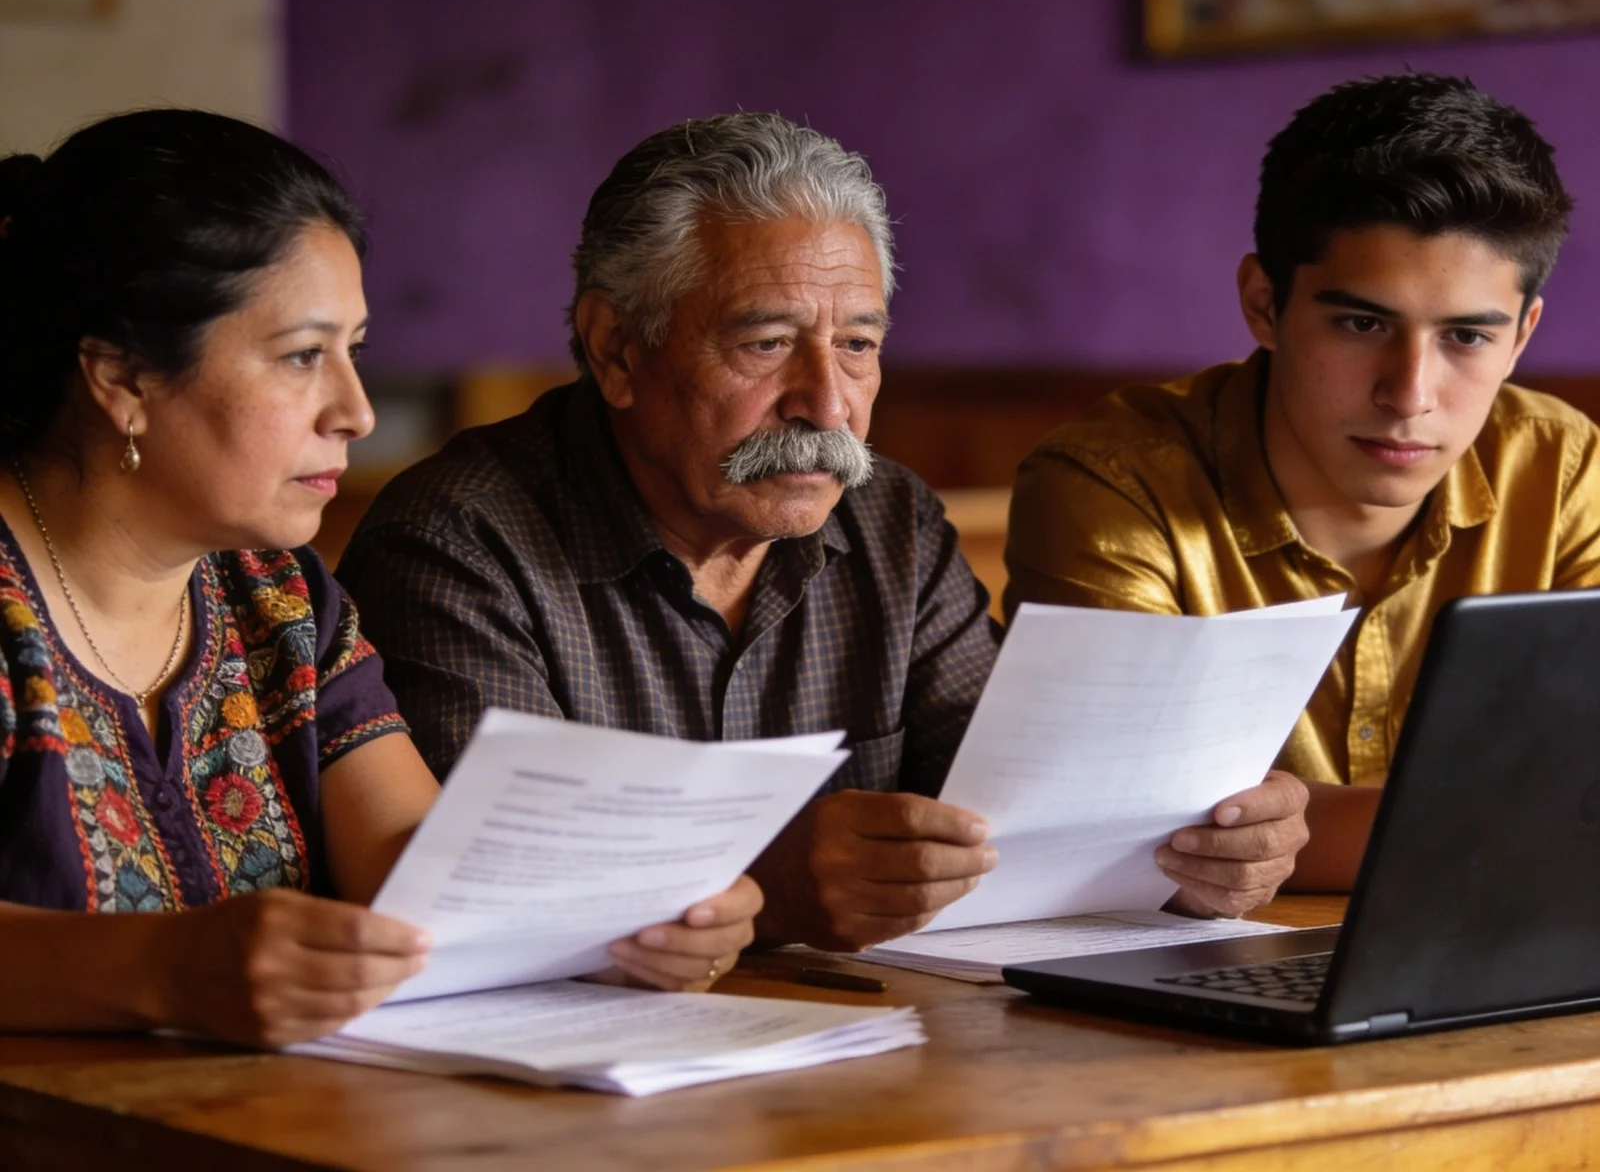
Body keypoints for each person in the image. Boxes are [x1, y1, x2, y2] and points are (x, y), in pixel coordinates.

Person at [338, 112, 1309, 948]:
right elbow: (490, 892)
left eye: (857, 344)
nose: (828, 403)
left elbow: (1005, 807)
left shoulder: (888, 521)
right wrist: (774, 888)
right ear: (614, 347)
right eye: (764, 344)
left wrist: (1181, 851)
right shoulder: (458, 543)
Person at [0, 110, 761, 1049]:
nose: (355, 412)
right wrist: (159, 968)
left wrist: (631, 914)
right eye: (301, 357)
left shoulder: (279, 603)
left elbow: (422, 867)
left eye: (354, 351)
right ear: (122, 377)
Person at [1005, 73, 1600, 893]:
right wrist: (1517, 819)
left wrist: (1291, 824)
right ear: (1263, 302)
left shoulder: (1566, 469)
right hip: (1204, 978)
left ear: (1523, 335)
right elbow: (1122, 829)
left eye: (1466, 336)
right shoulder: (1113, 487)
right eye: (1362, 324)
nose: (1409, 394)